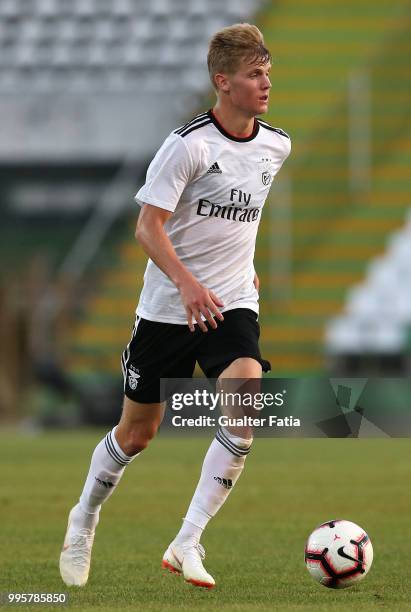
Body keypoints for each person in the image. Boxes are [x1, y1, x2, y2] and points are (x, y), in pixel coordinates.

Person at [59, 22, 291, 590]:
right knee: (138, 434)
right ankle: (83, 518)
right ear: (223, 82)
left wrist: (242, 266)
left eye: (267, 73)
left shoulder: (276, 144)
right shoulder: (188, 145)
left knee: (245, 407)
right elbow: (148, 227)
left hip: (231, 303)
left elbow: (241, 216)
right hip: (169, 307)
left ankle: (187, 541)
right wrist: (186, 282)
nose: (265, 84)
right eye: (254, 75)